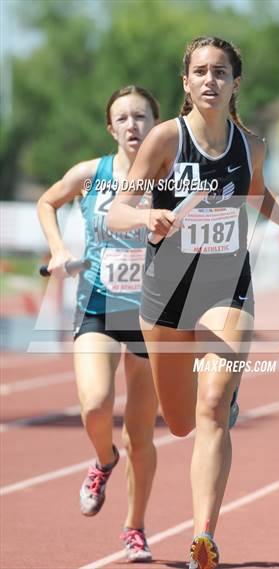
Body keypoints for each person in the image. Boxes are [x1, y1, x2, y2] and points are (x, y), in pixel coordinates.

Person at [107, 37, 279, 569]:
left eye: (221, 72)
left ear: (236, 83)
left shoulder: (250, 146)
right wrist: (147, 218)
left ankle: (203, 536)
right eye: (200, 72)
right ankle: (218, 397)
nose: (210, 80)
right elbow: (117, 212)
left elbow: (260, 195)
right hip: (165, 295)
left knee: (211, 406)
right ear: (185, 83)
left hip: (225, 286)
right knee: (182, 421)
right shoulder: (167, 139)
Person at [37, 85, 160, 562]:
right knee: (93, 405)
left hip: (153, 316)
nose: (133, 126)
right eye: (123, 119)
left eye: (142, 117)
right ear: (111, 128)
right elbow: (48, 202)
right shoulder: (92, 176)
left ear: (156, 123)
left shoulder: (172, 175)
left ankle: (134, 528)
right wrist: (60, 250)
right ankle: (103, 459)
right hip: (100, 308)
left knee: (141, 434)